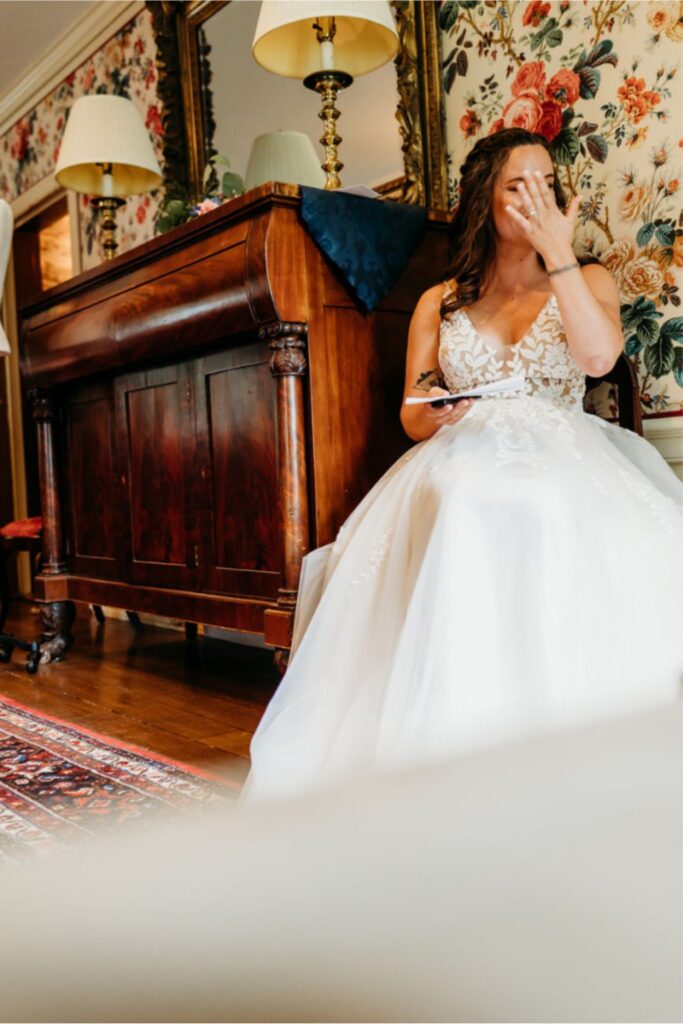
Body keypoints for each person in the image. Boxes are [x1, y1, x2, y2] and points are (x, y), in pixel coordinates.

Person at [244, 128, 683, 804]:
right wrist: (438, 408)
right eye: (517, 185)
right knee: (464, 493)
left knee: (544, 501)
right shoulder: (439, 299)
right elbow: (412, 413)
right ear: (485, 197)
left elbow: (596, 361)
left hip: (562, 442)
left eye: (545, 184)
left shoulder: (586, 275)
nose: (535, 197)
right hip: (461, 444)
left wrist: (558, 252)